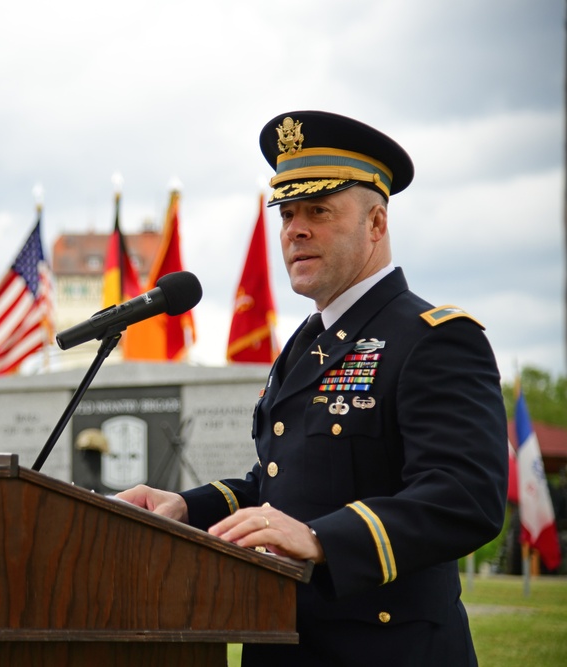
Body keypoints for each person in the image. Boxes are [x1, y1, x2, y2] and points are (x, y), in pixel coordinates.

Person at [117, 110, 507, 666]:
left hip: (386, 650)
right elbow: (280, 486)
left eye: (318, 211)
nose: (295, 229)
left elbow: (465, 495)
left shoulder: (434, 340)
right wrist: (186, 507)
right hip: (283, 640)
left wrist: (324, 539)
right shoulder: (308, 342)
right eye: (288, 213)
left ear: (376, 224)